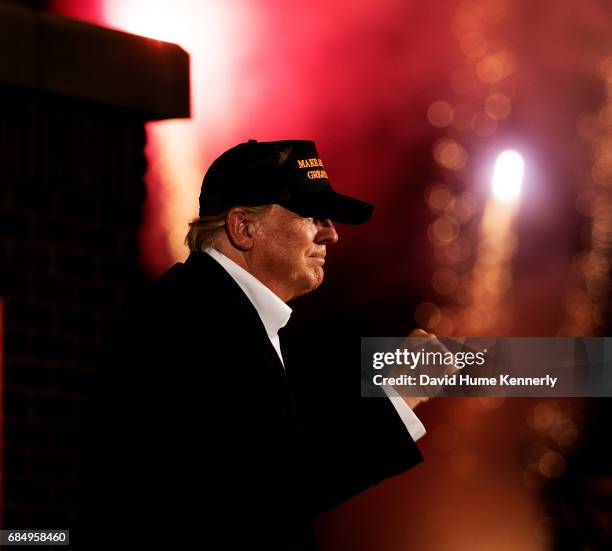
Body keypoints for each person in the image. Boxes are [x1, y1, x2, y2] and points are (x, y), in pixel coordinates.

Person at [77, 139, 427, 549]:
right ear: (242, 227)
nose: (331, 234)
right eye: (311, 214)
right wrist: (401, 394)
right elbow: (270, 489)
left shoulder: (224, 316)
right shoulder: (193, 320)